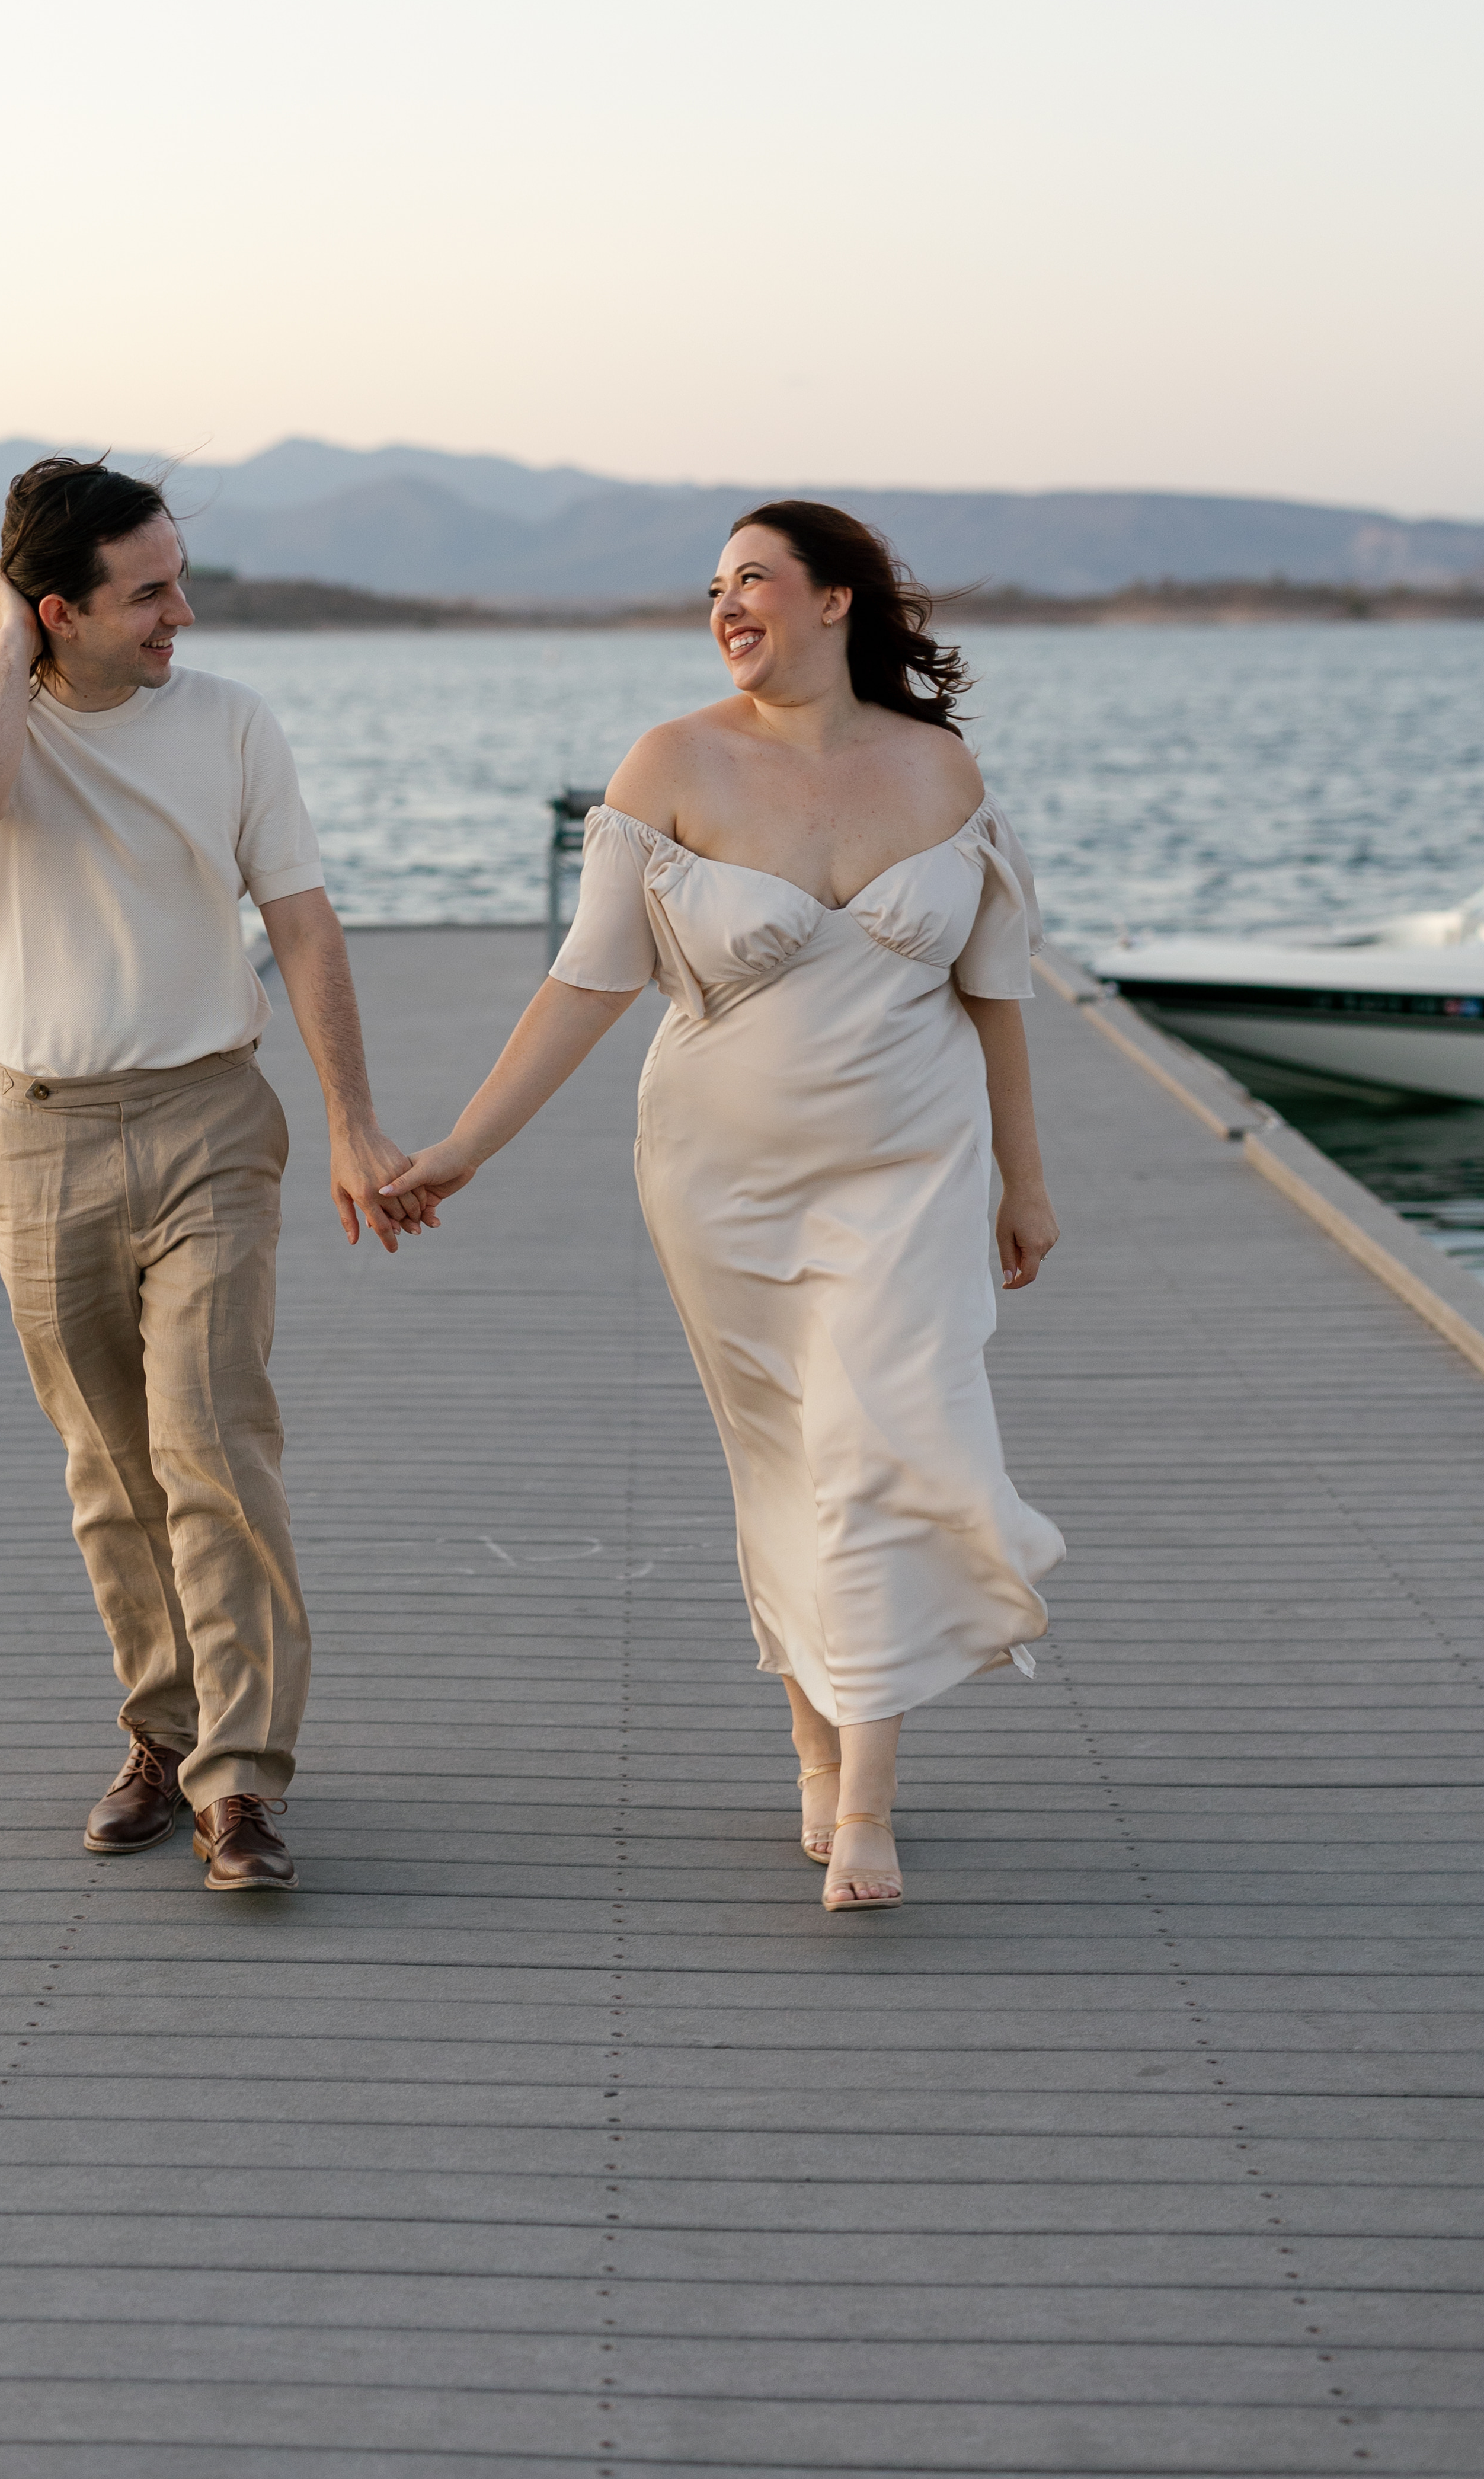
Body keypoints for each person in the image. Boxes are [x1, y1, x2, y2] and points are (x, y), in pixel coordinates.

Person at [384, 502, 1065, 1913]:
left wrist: (1025, 1174)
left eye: (752, 577)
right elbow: (584, 983)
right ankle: (815, 1736)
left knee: (879, 1443)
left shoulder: (940, 769)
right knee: (787, 1461)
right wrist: (463, 1146)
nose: (723, 602)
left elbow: (993, 993)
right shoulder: (671, 762)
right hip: (720, 1183)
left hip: (910, 1165)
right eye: (712, 585)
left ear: (836, 601)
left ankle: (867, 1801)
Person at [0, 455, 428, 1895]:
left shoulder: (234, 724)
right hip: (42, 1129)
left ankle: (242, 1781)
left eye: (180, 581)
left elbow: (306, 927)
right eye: (147, 594)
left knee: (212, 1445)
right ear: (56, 608)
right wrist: (10, 645)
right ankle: (161, 1726)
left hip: (210, 1119)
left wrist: (350, 1120)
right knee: (109, 1467)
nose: (180, 615)